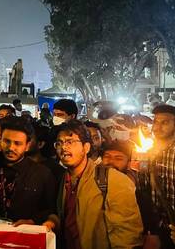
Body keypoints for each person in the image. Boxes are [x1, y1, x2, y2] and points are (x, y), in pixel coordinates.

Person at [55, 120, 143, 249]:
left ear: (86, 147)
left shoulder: (112, 179)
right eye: (59, 143)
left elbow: (127, 235)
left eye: (70, 142)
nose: (64, 148)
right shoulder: (63, 178)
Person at [0, 116, 57, 230]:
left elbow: (52, 210)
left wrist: (33, 221)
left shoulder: (42, 174)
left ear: (27, 145)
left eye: (17, 143)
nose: (11, 147)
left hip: (26, 235)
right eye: (7, 141)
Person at [101, 140, 161, 248]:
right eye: (107, 156)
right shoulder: (92, 187)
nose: (110, 162)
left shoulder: (139, 197)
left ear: (128, 164)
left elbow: (152, 239)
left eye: (118, 158)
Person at [144, 104, 175, 247]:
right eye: (155, 122)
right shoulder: (146, 151)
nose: (157, 127)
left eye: (165, 122)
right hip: (154, 227)